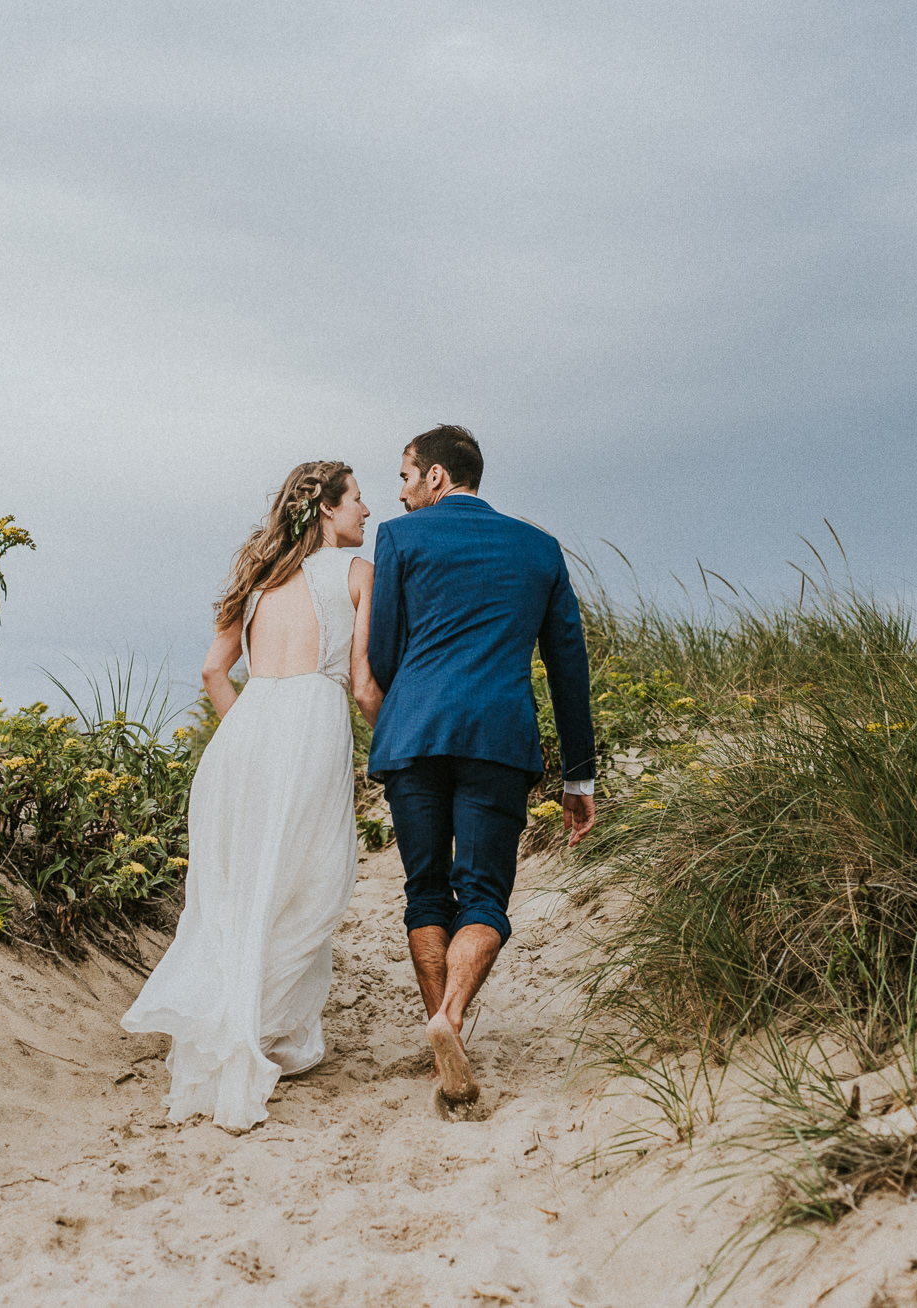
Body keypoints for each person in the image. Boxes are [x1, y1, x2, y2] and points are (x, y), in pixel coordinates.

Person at [122, 461, 382, 1131]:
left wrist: (247, 733)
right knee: (313, 888)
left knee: (241, 891)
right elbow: (361, 686)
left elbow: (214, 670)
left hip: (244, 738)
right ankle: (255, 1029)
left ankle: (247, 1027)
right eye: (356, 499)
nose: (367, 509)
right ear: (325, 508)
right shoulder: (358, 575)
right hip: (311, 734)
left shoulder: (258, 581)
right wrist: (395, 739)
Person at [367, 425, 596, 1108]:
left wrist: (409, 702)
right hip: (498, 736)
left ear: (437, 476)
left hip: (414, 734)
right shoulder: (539, 549)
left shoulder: (401, 539)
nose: (401, 492)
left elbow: (383, 652)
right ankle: (453, 1019)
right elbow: (568, 669)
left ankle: (442, 1033)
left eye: (407, 476)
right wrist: (578, 776)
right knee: (485, 896)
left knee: (427, 891)